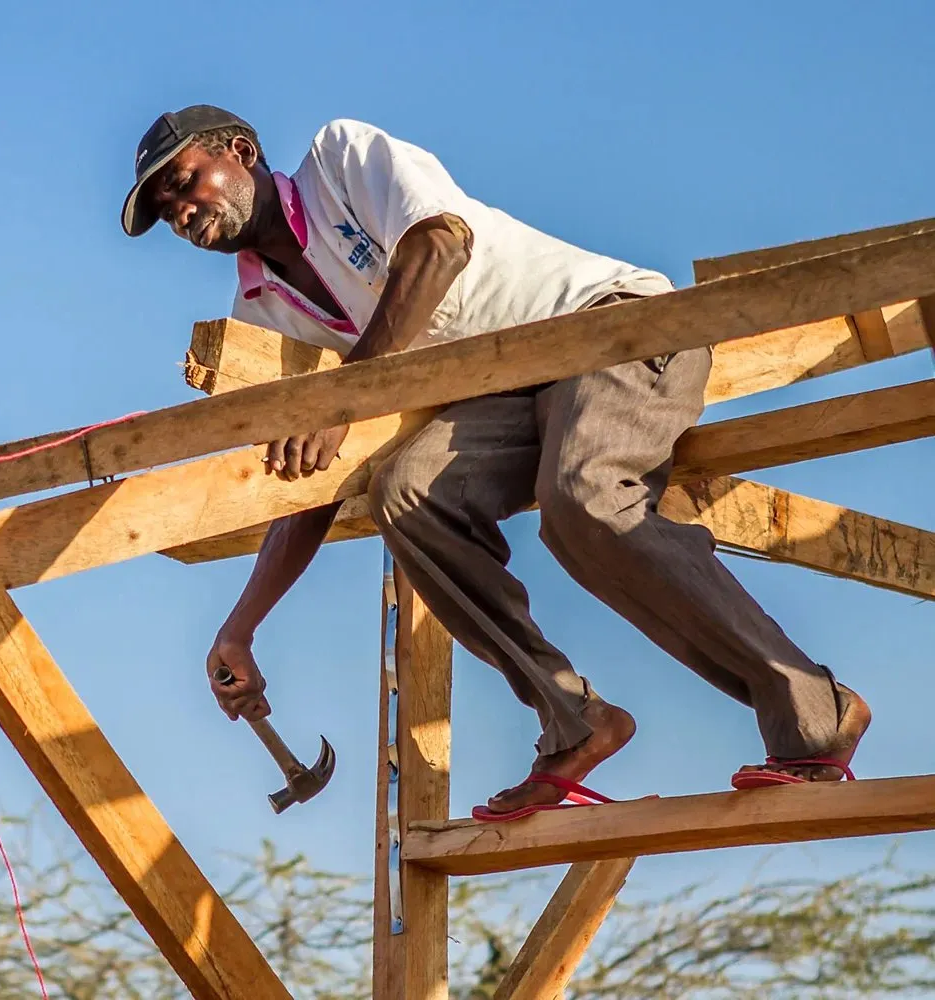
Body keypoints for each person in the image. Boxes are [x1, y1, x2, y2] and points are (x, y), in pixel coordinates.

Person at [118, 105, 871, 819]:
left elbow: (439, 244)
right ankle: (576, 722)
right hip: (507, 395)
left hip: (610, 327)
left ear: (240, 152)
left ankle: (816, 714)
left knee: (585, 499)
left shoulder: (339, 161)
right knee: (406, 494)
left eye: (184, 183)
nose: (181, 213)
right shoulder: (261, 312)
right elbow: (313, 479)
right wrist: (241, 627)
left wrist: (340, 398)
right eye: (164, 211)